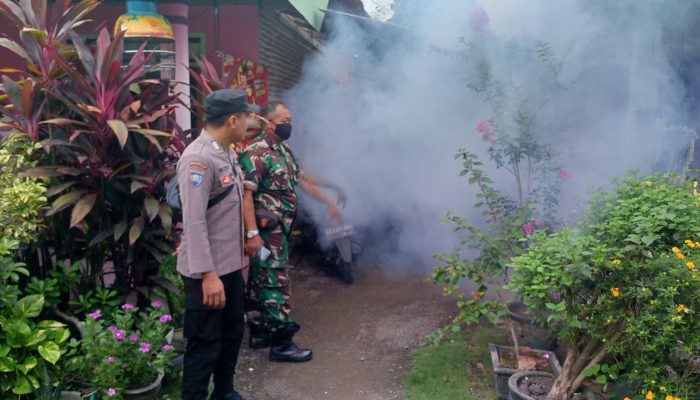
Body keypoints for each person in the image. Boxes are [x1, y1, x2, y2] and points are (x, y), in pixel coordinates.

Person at [240, 100, 342, 362]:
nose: (289, 126)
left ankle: (260, 332)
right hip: (265, 233)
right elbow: (246, 196)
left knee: (260, 280)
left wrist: (329, 199)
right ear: (267, 123)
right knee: (276, 282)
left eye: (290, 121)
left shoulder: (283, 151)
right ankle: (282, 344)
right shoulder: (255, 154)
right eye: (284, 121)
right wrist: (252, 234)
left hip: (278, 231)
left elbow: (304, 180)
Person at [177, 89, 258, 400]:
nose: (249, 121)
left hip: (230, 266)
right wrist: (207, 275)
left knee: (231, 335)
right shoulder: (198, 159)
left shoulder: (226, 151)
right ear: (233, 119)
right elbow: (194, 221)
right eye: (246, 116)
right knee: (204, 345)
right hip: (206, 274)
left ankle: (224, 393)